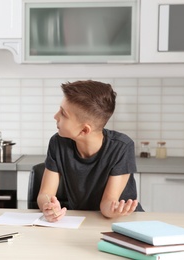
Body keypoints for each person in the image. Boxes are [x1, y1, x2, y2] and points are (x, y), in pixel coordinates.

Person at [37, 80, 144, 221]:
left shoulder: (122, 147)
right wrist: (48, 206)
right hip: (81, 220)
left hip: (121, 219)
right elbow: (45, 194)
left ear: (84, 130)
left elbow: (107, 203)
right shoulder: (58, 143)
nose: (55, 116)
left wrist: (114, 209)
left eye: (63, 113)